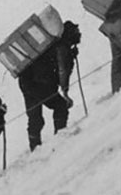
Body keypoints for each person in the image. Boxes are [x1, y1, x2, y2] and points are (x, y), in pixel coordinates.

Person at [17, 21, 81, 151]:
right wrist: (65, 91)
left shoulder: (47, 45)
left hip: (26, 81)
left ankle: (34, 148)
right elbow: (63, 70)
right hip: (42, 84)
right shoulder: (62, 48)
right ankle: (60, 137)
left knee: (35, 117)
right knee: (61, 106)